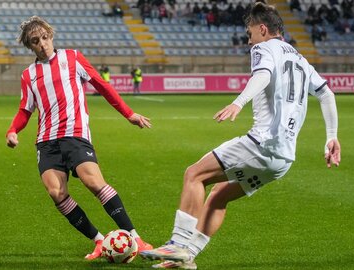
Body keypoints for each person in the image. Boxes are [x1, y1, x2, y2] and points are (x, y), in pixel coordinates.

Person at [140, 3, 341, 269]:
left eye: (249, 34)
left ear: (262, 29)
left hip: (260, 145)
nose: (249, 41)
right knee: (218, 196)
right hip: (283, 161)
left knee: (194, 174)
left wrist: (239, 102)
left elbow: (263, 75)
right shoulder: (301, 59)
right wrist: (331, 136)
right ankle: (187, 257)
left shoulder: (263, 47)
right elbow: (327, 94)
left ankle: (177, 244)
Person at [5, 16, 153, 261]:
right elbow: (25, 109)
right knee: (56, 193)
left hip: (75, 134)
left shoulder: (72, 58)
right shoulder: (28, 75)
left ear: (51, 36)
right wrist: (12, 131)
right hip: (46, 140)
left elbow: (102, 85)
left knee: (94, 182)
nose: (42, 44)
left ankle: (136, 238)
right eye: (35, 41)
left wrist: (129, 114)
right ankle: (98, 241)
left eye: (44, 37)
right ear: (29, 46)